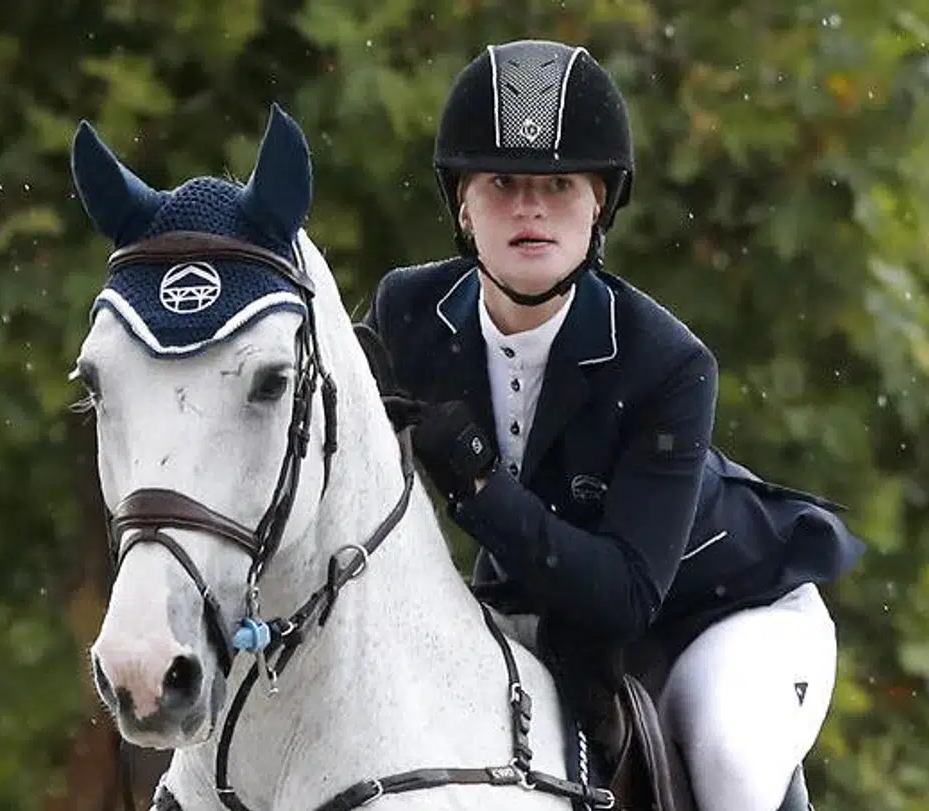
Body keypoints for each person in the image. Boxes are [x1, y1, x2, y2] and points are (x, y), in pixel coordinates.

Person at [360, 39, 866, 811]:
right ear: (462, 205)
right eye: (502, 182)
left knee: (728, 755)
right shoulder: (406, 314)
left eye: (558, 183)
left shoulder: (666, 361)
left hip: (723, 615)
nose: (529, 207)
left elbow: (627, 595)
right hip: (545, 609)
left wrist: (479, 484)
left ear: (600, 202)